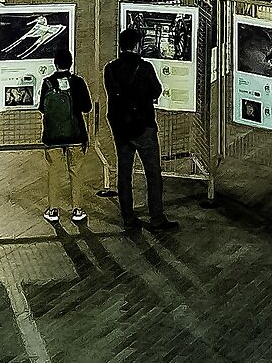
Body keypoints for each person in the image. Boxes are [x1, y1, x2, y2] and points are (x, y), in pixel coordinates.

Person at [104, 27, 173, 231]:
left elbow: (112, 91)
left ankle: (128, 218)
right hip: (143, 127)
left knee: (124, 173)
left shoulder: (110, 68)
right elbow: (156, 90)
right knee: (153, 173)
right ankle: (157, 219)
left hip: (120, 128)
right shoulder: (145, 67)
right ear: (136, 45)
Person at [36, 50, 91, 225]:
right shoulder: (78, 82)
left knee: (54, 171)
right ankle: (78, 209)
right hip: (75, 134)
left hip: (52, 137)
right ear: (71, 63)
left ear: (55, 63)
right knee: (76, 170)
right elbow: (87, 107)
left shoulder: (47, 83)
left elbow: (43, 109)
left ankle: (53, 210)